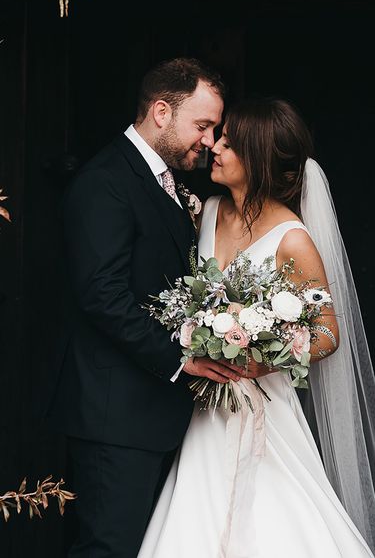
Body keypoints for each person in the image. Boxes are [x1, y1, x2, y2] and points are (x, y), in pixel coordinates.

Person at [139, 98, 375, 557]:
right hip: (204, 407)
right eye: (217, 137)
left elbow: (327, 333)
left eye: (228, 142)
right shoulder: (207, 210)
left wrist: (259, 359)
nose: (215, 148)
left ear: (258, 158)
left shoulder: (293, 239)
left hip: (262, 405)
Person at [46, 58, 243, 558]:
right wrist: (181, 359)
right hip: (115, 417)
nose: (209, 139)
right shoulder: (106, 180)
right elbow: (103, 296)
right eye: (202, 125)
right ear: (161, 111)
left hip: (152, 416)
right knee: (108, 549)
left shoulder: (169, 184)